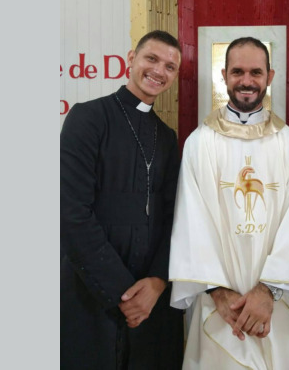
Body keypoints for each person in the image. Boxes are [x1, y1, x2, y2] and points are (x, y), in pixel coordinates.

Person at [169, 37, 289, 369]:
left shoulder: (287, 142)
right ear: (224, 75)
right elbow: (190, 219)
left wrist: (268, 291)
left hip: (276, 300)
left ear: (269, 76)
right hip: (219, 303)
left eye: (256, 72)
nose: (247, 81)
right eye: (238, 71)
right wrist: (217, 291)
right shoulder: (200, 142)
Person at [61, 30, 185, 369]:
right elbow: (71, 212)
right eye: (152, 59)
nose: (160, 71)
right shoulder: (87, 118)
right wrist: (122, 293)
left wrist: (159, 281)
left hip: (151, 297)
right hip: (92, 290)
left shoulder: (167, 136)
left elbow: (175, 216)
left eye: (170, 67)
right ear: (131, 59)